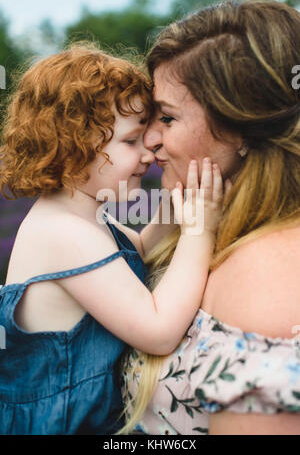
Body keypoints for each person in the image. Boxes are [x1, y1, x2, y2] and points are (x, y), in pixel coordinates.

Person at [0, 43, 228, 434]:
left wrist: (176, 205)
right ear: (72, 147)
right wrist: (199, 229)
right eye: (130, 141)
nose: (148, 152)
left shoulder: (84, 218)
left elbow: (137, 252)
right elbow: (158, 331)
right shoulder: (61, 233)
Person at [120, 0, 300, 435]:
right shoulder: (204, 230)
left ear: (240, 127)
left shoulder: (265, 278)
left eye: (166, 116)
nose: (150, 139)